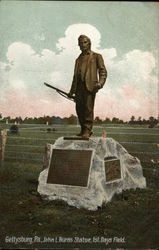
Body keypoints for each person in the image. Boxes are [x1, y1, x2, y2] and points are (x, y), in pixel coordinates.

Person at [68, 35, 107, 138]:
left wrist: (100, 83)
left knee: (88, 109)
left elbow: (103, 71)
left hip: (90, 87)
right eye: (80, 43)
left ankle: (87, 130)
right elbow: (75, 76)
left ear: (89, 43)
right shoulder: (78, 59)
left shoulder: (96, 56)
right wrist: (71, 91)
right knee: (79, 109)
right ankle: (83, 130)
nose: (82, 45)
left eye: (84, 42)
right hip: (79, 88)